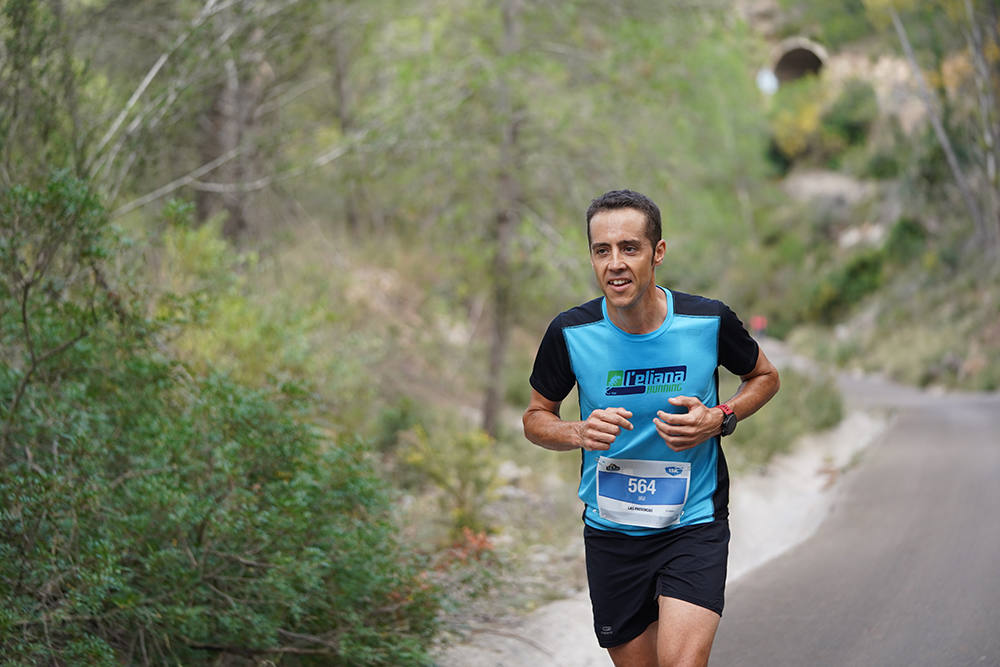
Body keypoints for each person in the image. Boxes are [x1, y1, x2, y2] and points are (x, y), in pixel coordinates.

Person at [522, 189, 779, 667]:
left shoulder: (707, 321)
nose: (615, 263)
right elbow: (536, 419)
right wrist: (577, 432)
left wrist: (719, 418)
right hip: (612, 533)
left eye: (629, 248)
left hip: (693, 524)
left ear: (657, 252)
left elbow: (764, 377)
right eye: (603, 250)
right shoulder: (570, 333)